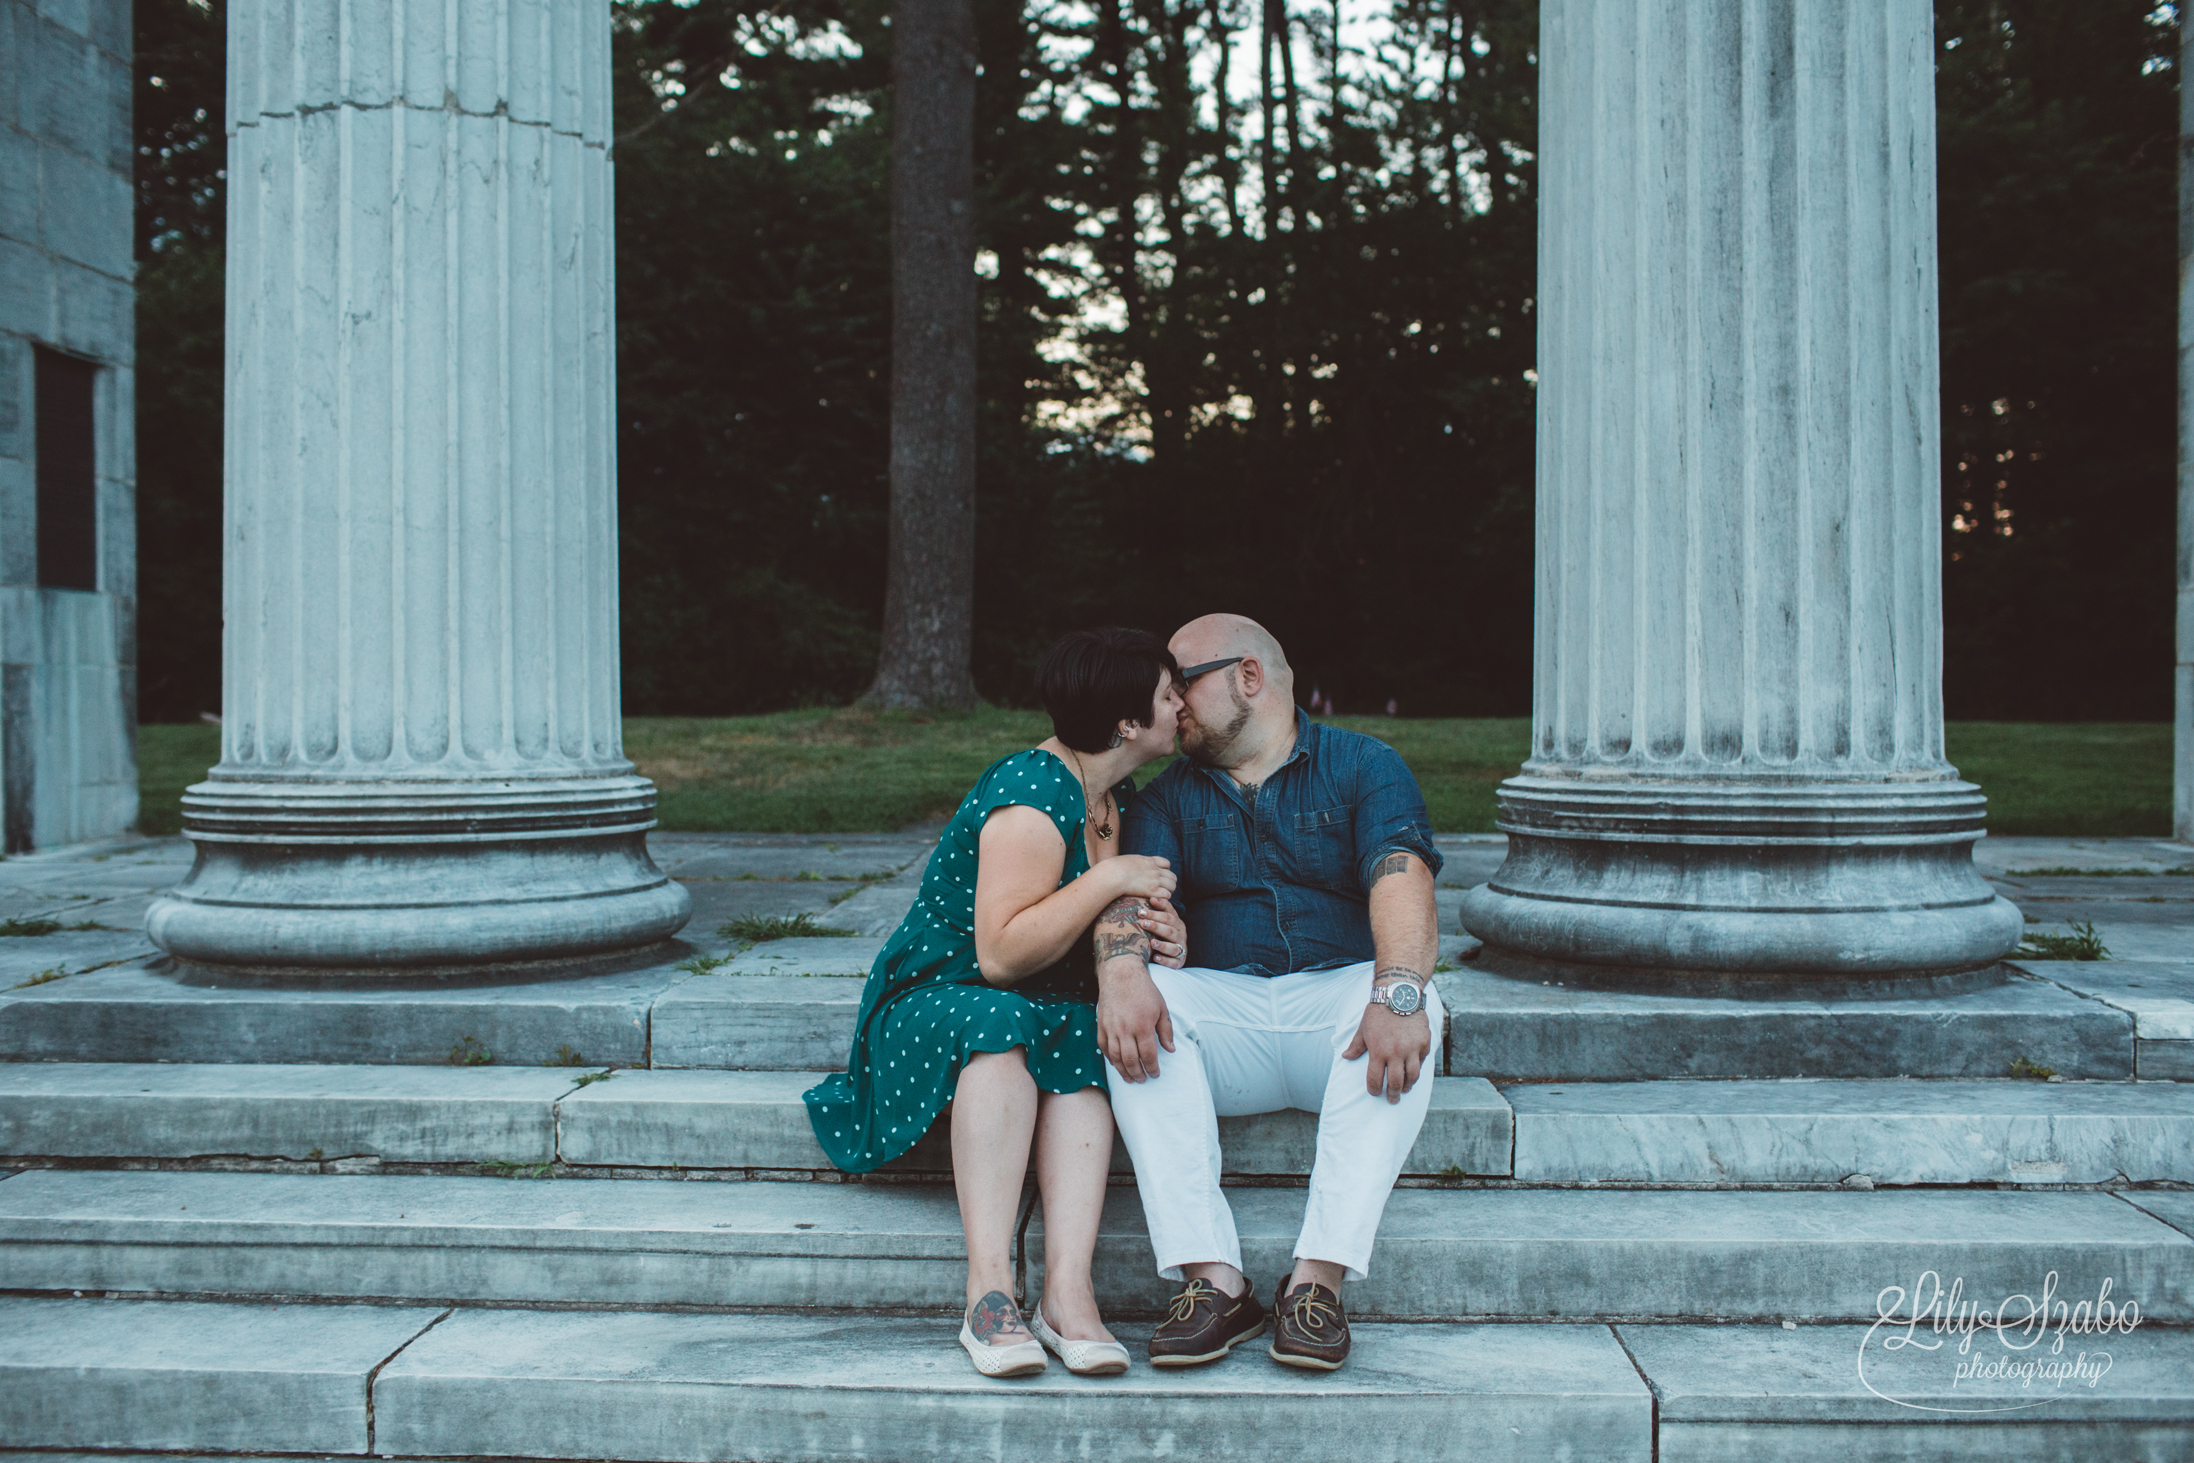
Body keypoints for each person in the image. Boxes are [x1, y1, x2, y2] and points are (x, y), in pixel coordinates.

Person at [803, 628, 1189, 1379]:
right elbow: (1001, 954)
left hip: (1038, 1000)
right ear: (1127, 722)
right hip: (940, 994)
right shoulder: (1034, 789)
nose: (1182, 704)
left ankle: (1068, 1295)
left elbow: (1090, 922)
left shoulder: (1111, 793)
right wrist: (1111, 882)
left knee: (1087, 1034)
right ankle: (989, 1291)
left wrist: (1155, 932)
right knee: (1002, 1019)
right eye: (1169, 694)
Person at [1091, 613, 1443, 1372]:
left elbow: (1400, 873)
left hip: (1336, 1013)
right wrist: (1122, 971)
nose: (1171, 702)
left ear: (1248, 677)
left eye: (1182, 682)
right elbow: (1127, 898)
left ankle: (1317, 1283)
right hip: (1227, 1017)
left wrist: (1401, 988)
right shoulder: (1165, 798)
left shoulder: (1363, 765)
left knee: (1411, 1001)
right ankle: (1212, 1281)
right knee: (1137, 1003)